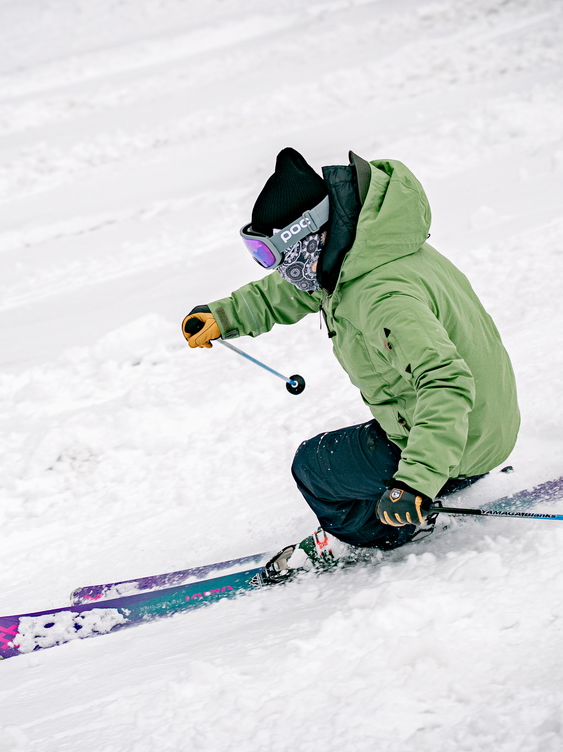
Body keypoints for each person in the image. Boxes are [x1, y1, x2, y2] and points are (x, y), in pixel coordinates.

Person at [182, 148, 520, 582]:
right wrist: (224, 315)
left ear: (313, 239)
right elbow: (291, 290)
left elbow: (446, 383)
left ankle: (375, 533)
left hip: (461, 439)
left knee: (315, 468)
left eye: (277, 258)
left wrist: (414, 482)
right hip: (482, 425)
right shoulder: (366, 250)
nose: (279, 271)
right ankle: (432, 481)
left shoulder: (381, 296)